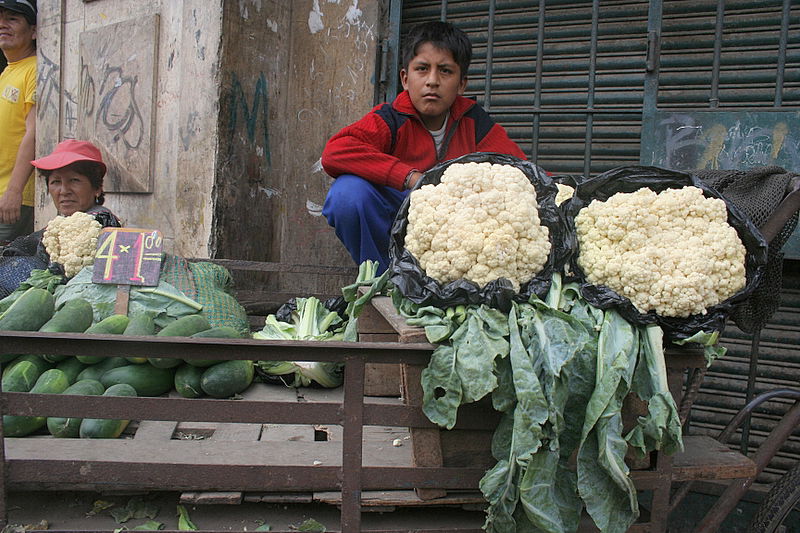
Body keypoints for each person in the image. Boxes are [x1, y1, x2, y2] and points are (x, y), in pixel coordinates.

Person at [321, 20, 528, 273]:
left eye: (445, 71)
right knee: (347, 194)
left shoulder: (474, 122)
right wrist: (410, 177)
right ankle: (383, 280)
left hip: (455, 231)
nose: (432, 81)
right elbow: (335, 151)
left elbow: (524, 172)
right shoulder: (390, 119)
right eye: (422, 69)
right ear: (405, 79)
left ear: (462, 84)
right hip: (397, 219)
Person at [0, 0, 37, 245]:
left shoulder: (34, 68)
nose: (3, 24)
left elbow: (34, 133)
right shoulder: (8, 71)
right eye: (1, 19)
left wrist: (14, 190)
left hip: (14, 198)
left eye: (13, 19)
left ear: (33, 31)